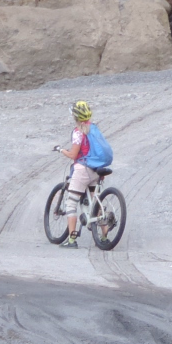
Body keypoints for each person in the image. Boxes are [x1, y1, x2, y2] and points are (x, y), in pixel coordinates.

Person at [59, 99, 113, 247]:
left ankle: (71, 240)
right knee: (96, 204)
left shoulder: (78, 132)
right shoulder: (94, 129)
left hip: (83, 170)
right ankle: (103, 238)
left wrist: (61, 150)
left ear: (74, 117)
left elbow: (73, 155)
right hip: (97, 170)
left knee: (71, 203)